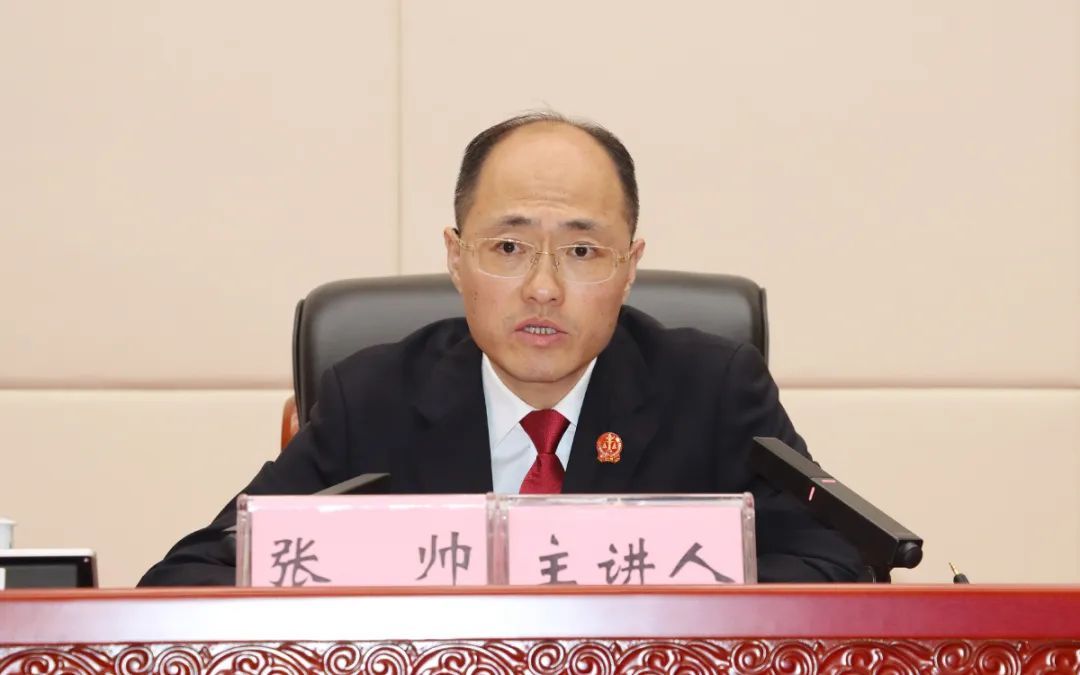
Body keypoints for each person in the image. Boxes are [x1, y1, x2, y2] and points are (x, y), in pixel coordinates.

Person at [139, 112, 860, 586]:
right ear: (456, 258)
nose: (543, 288)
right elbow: (190, 577)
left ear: (630, 266)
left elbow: (840, 562)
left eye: (582, 250)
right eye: (509, 247)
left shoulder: (712, 390)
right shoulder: (373, 400)